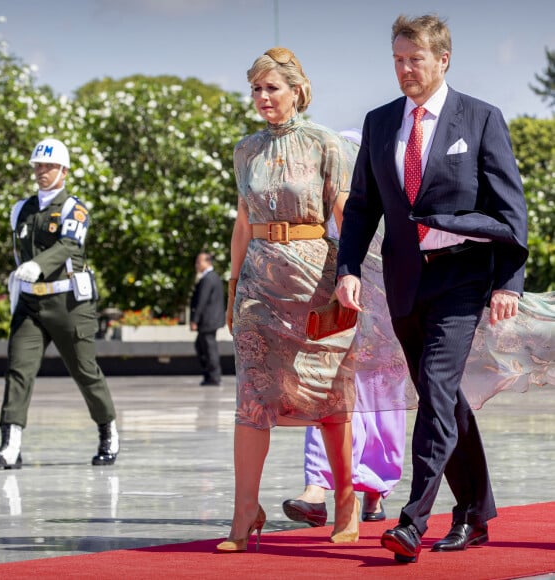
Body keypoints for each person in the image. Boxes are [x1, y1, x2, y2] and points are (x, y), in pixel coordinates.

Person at [335, 14, 528, 563]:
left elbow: (510, 208)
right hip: (405, 279)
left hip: (463, 276)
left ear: (443, 59)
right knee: (441, 397)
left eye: (414, 59)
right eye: (397, 59)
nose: (404, 70)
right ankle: (475, 511)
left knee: (437, 391)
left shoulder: (481, 118)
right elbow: (362, 208)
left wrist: (507, 282)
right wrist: (347, 268)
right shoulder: (379, 124)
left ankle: (413, 518)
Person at [217, 47, 360, 552]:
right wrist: (232, 289)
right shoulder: (244, 149)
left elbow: (343, 212)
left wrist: (356, 273)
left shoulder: (326, 144)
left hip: (315, 282)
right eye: (255, 89)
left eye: (270, 88)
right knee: (252, 398)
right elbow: (240, 223)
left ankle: (346, 499)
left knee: (328, 397)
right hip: (258, 280)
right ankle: (243, 512)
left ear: (296, 90)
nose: (261, 98)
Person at [282, 130, 408, 528]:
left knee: (382, 398)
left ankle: (372, 490)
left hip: (387, 309)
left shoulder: (393, 193)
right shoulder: (322, 203)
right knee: (329, 390)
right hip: (342, 311)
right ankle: (317, 489)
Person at [0, 138, 120, 470]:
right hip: (30, 303)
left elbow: (70, 244)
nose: (42, 172)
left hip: (68, 301)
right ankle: (9, 446)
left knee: (85, 371)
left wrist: (39, 265)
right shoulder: (21, 209)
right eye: (38, 166)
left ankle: (108, 431)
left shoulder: (74, 208)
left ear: (64, 170)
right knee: (18, 370)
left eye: (50, 166)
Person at [189, 251, 225, 386]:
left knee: (209, 349)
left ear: (207, 262)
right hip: (211, 320)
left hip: (208, 320)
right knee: (201, 346)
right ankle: (210, 375)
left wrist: (195, 320)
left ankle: (214, 376)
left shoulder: (208, 278)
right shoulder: (212, 277)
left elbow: (201, 301)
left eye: (199, 262)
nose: (196, 265)